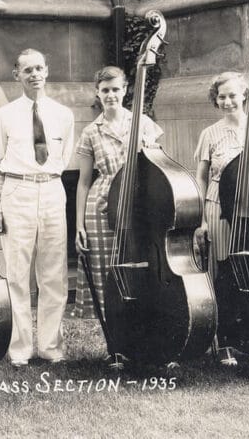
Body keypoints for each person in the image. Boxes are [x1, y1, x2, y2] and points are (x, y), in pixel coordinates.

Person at [0, 49, 74, 366]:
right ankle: (20, 348)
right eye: (27, 70)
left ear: (47, 71)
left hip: (51, 188)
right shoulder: (4, 115)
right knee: (16, 274)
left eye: (39, 68)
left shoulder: (63, 114)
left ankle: (50, 346)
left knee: (54, 273)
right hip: (16, 190)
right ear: (17, 75)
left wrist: (49, 178)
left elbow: (64, 158)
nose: (34, 74)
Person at [193, 71, 249, 366]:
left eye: (232, 95)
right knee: (223, 274)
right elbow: (201, 179)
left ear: (244, 95)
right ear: (215, 100)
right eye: (221, 96)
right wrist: (201, 220)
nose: (227, 101)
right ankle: (224, 342)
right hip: (219, 209)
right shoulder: (210, 134)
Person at [73, 66, 162, 321]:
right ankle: (115, 337)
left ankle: (145, 327)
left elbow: (157, 165)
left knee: (141, 264)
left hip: (137, 201)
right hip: (101, 204)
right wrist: (79, 224)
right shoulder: (91, 131)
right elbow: (84, 182)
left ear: (125, 90)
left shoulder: (143, 123)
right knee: (106, 270)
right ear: (97, 93)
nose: (110, 95)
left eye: (115, 89)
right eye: (105, 90)